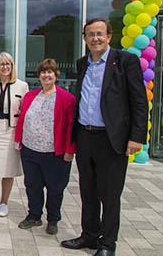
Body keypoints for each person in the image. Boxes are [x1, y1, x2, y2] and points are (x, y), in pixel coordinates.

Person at [61, 19, 147, 256]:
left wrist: (136, 136)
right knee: (87, 191)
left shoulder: (125, 61)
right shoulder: (82, 64)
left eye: (99, 34)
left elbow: (139, 101)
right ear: (85, 38)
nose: (95, 38)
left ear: (109, 36)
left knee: (109, 195)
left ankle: (108, 244)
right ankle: (89, 236)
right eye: (90, 34)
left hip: (111, 139)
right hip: (85, 136)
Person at [14, 58, 76, 235]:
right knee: (32, 185)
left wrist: (70, 151)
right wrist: (18, 140)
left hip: (54, 153)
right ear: (39, 75)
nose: (46, 75)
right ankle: (34, 215)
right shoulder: (30, 96)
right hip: (30, 150)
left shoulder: (67, 99)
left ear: (56, 75)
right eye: (43, 72)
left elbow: (72, 127)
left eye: (50, 72)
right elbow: (22, 120)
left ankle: (53, 219)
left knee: (55, 188)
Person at [0, 52, 28, 221]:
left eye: (8, 64)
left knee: (8, 171)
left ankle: (4, 203)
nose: (5, 67)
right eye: (1, 64)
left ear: (12, 66)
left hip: (11, 133)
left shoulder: (22, 86)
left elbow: (25, 113)